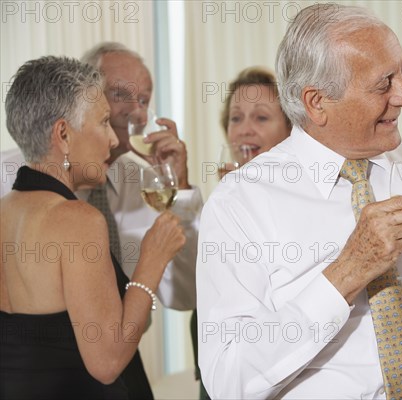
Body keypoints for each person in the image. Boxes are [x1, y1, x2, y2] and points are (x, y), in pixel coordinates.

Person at [197, 4, 402, 398]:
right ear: (317, 102)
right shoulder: (240, 203)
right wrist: (348, 271)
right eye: (384, 82)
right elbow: (227, 379)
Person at [0, 56, 185, 399]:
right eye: (102, 123)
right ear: (64, 135)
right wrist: (152, 261)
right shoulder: (78, 220)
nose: (114, 141)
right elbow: (108, 362)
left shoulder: (5, 211)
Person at [1, 42, 202, 311]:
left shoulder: (148, 186)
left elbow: (186, 295)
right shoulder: (8, 177)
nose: (137, 112)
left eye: (143, 100)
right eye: (119, 94)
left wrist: (180, 188)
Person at [191, 65, 292, 400]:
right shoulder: (222, 204)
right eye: (236, 118)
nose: (244, 130)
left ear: (290, 129)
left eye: (261, 118)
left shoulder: (299, 205)